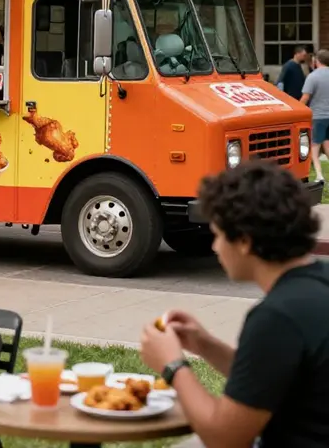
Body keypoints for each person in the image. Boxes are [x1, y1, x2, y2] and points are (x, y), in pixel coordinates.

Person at [139, 161, 329, 448]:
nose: (215, 247)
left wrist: (172, 366)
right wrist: (206, 345)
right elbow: (269, 375)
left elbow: (225, 439)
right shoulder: (318, 285)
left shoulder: (277, 317)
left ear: (243, 241)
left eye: (217, 235)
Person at [301, 48, 329, 182]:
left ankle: (319, 175)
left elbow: (305, 97)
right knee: (328, 145)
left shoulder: (313, 76)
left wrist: (298, 109)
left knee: (314, 146)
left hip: (318, 116)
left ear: (316, 61)